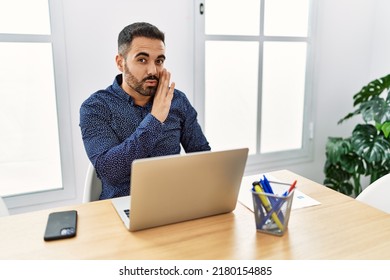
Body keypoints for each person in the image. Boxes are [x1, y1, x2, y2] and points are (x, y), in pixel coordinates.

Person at [79, 22, 211, 200]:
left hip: (173, 203)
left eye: (159, 61)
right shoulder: (96, 107)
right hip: (121, 207)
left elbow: (202, 158)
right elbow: (110, 170)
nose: (153, 70)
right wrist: (155, 119)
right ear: (120, 62)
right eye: (142, 60)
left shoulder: (177, 100)